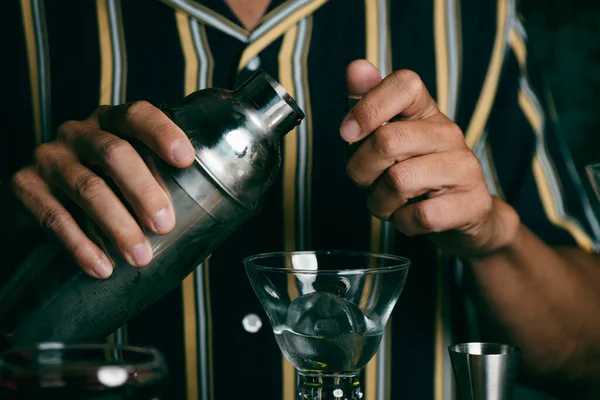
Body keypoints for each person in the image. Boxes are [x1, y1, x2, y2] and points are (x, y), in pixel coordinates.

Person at [1, 0, 599, 399]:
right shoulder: (28, 18)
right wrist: (18, 227)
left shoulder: (470, 17)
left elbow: (585, 353)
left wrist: (493, 236)